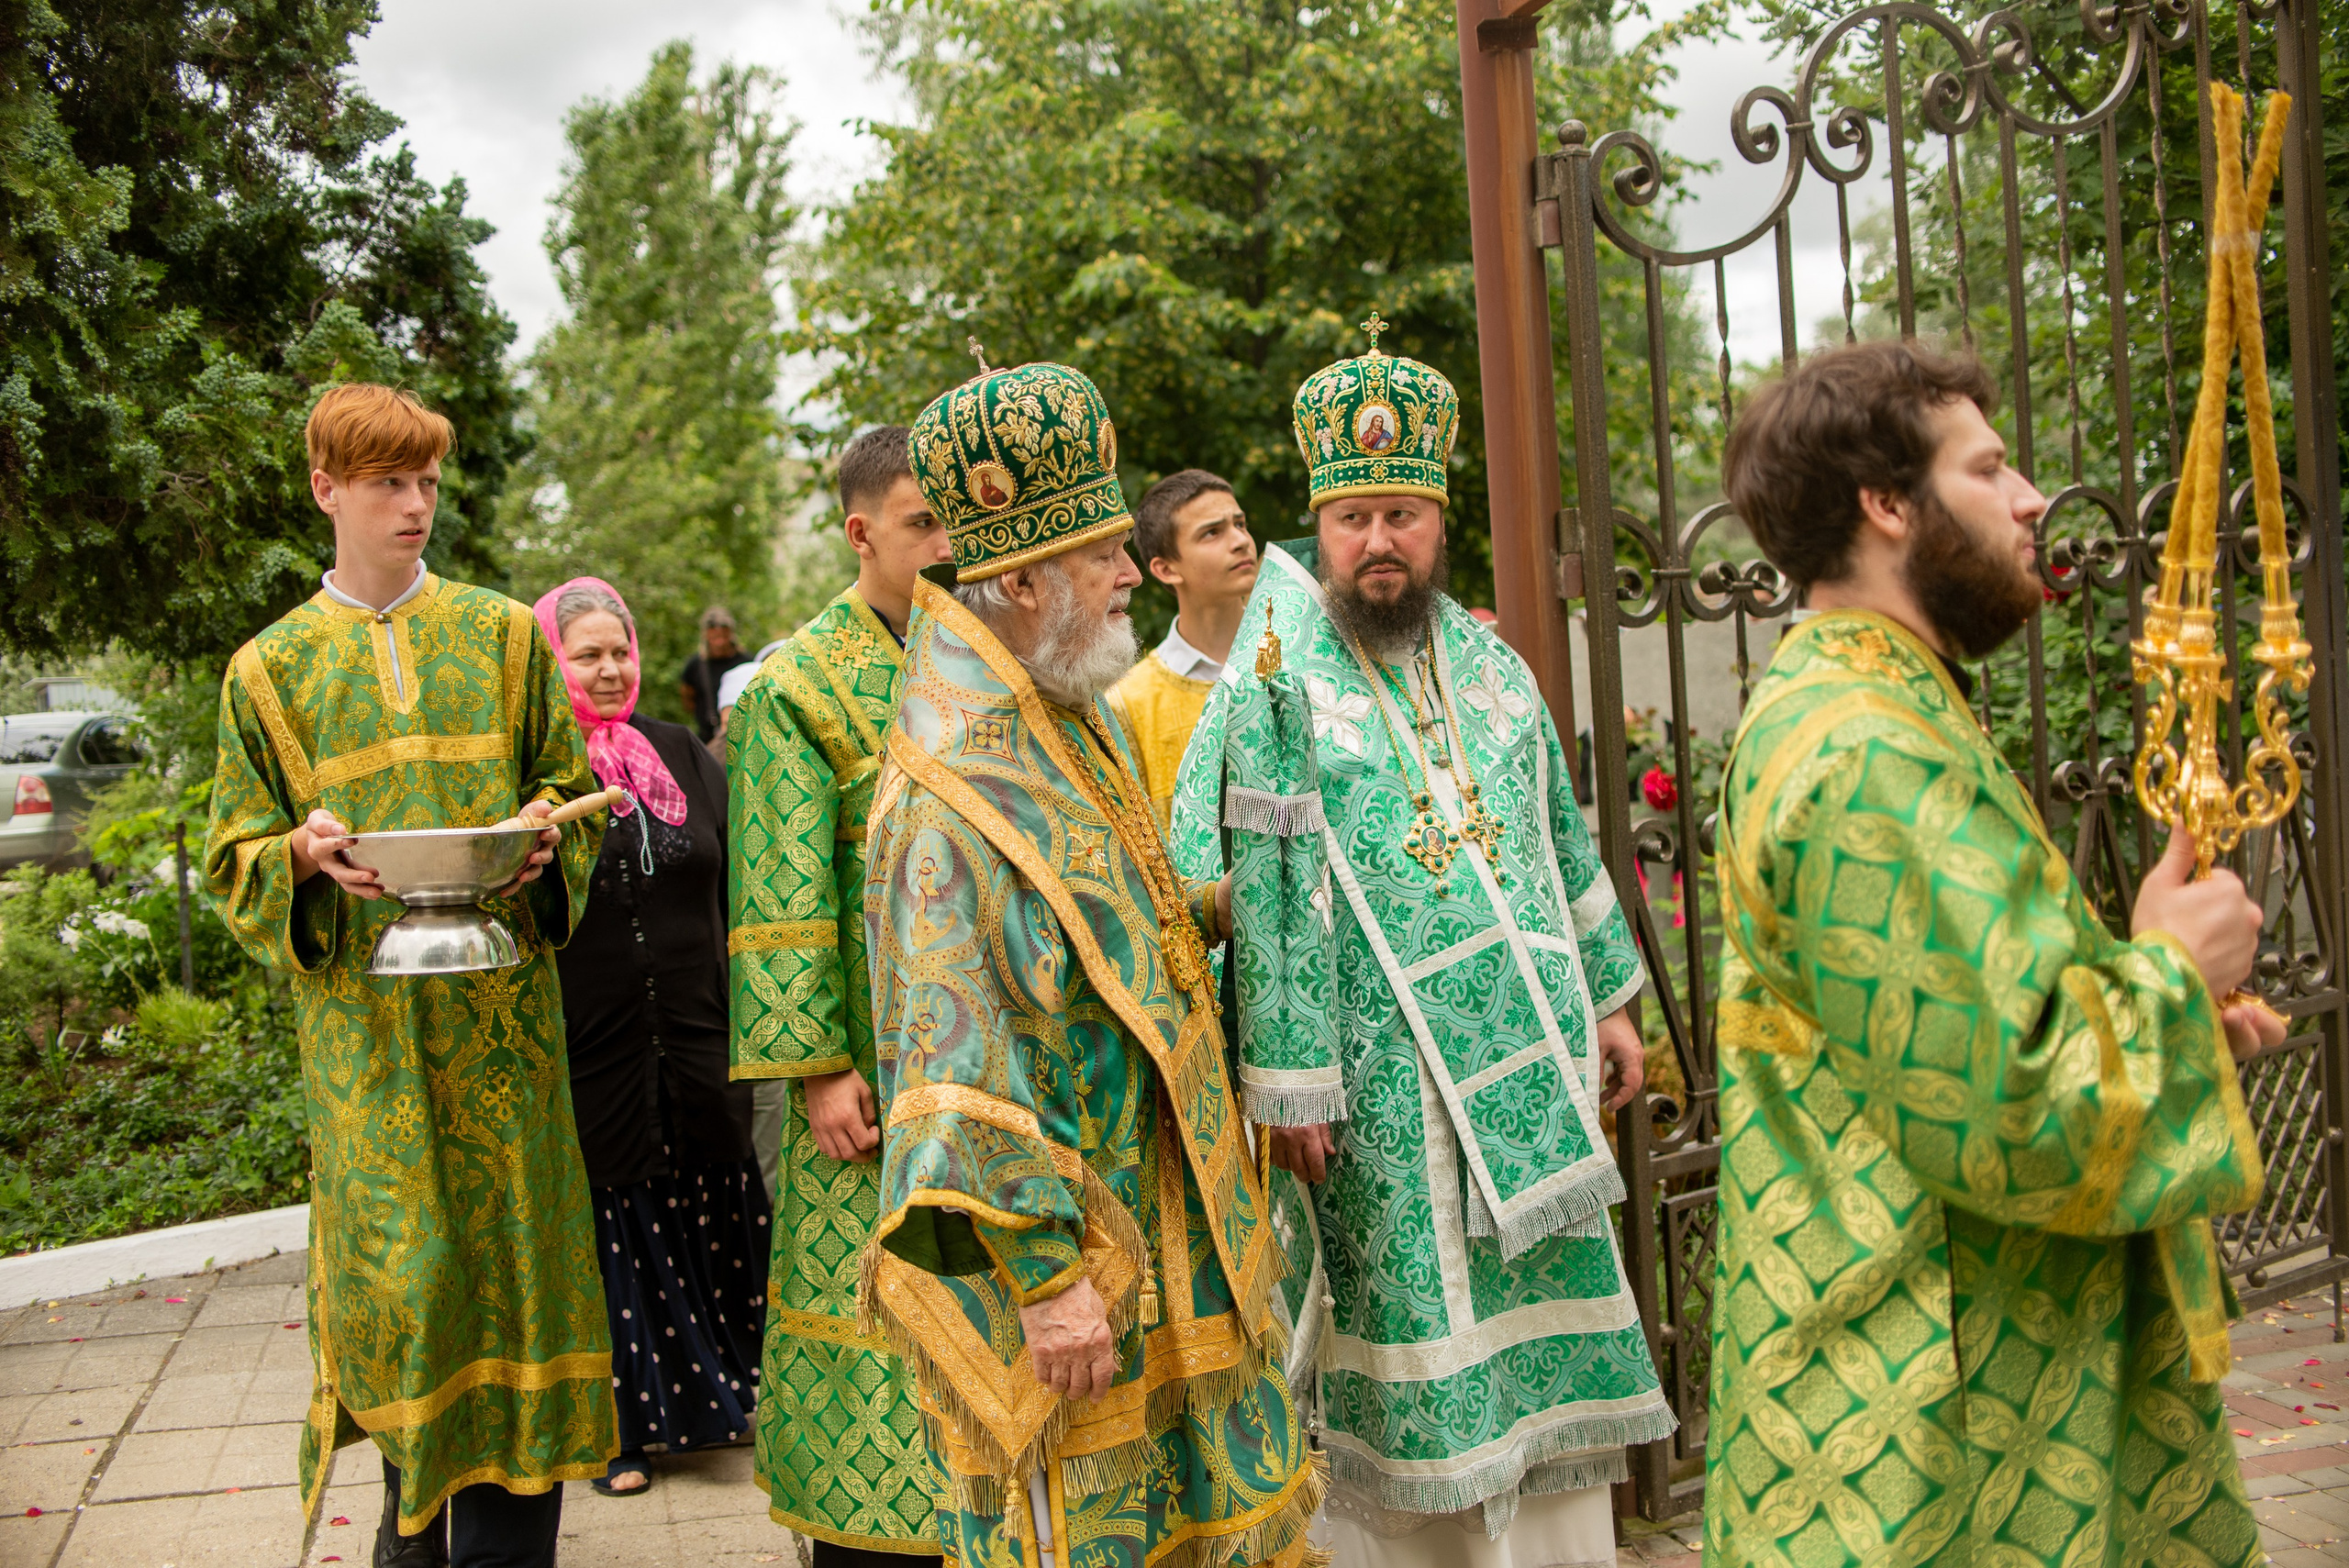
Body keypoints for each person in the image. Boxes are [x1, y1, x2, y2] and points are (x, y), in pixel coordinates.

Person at [1704, 339, 2279, 1565]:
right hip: (1934, 1409)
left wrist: (2173, 1021)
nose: (2031, 500)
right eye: (1991, 467)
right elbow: (2012, 1105)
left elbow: (1958, 1027)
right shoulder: (1866, 746)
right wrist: (2171, 975)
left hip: (1948, 1355)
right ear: (1888, 503)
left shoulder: (1876, 699)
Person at [1169, 325, 1675, 1564]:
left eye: (1401, 513)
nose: (1378, 541)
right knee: (1411, 1383)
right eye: (1353, 517)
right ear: (1320, 526)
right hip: (1379, 1110)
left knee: (1542, 1400)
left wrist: (1614, 1003)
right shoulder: (1271, 680)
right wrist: (1286, 1087)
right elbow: (1223, 879)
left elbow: (1560, 837)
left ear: (1438, 521)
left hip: (1534, 1096)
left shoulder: (1495, 669)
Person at [863, 359, 1321, 1568]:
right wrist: (1046, 1279)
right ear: (1018, 578)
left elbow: (1131, 926)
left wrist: (1240, 897)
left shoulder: (1074, 715)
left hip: (1181, 1235)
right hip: (1082, 1263)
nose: (1131, 573)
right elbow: (954, 1052)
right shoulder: (946, 792)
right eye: (1105, 553)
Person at [203, 384, 612, 1568]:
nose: (416, 504)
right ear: (328, 489)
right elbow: (235, 854)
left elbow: (563, 794)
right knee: (414, 1293)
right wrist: (301, 855)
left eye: (429, 481)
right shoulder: (267, 671)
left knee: (516, 1283)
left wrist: (547, 838)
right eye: (389, 482)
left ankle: (503, 1547)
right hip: (367, 1054)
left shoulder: (499, 635)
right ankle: (410, 1529)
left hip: (509, 1041)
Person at [726, 425, 952, 1562]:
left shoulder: (984, 654)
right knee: (871, 1346)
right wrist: (817, 1064)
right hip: (866, 1071)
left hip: (978, 1069)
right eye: (923, 522)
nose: (948, 542)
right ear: (862, 532)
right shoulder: (797, 685)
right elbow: (775, 886)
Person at [536, 577, 768, 1501]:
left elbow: (735, 887)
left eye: (619, 649)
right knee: (615, 1219)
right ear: (555, 663)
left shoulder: (684, 754)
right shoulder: (540, 774)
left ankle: (729, 1400)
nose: (606, 667)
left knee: (712, 1196)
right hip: (596, 1042)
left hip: (697, 1030)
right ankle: (621, 1430)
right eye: (586, 652)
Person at [1106, 469, 1259, 828]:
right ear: (1165, 568)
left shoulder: (1298, 662)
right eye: (1212, 533)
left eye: (1240, 523)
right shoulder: (1128, 702)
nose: (1240, 540)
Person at [679, 606, 749, 744]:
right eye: (715, 637)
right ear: (706, 635)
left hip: (744, 737)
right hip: (707, 739)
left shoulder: (746, 662)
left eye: (724, 636)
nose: (720, 642)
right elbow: (687, 697)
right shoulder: (696, 665)